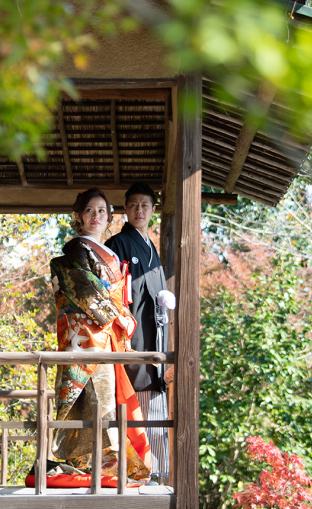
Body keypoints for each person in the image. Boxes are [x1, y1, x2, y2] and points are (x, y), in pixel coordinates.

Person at [48, 188, 152, 486]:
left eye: (102, 211)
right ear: (79, 217)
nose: (96, 216)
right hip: (88, 337)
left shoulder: (107, 252)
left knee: (108, 400)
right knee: (94, 399)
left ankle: (106, 464)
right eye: (89, 210)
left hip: (107, 337)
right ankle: (94, 464)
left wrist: (122, 317)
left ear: (109, 218)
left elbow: (117, 294)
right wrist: (117, 315)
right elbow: (84, 290)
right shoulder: (75, 251)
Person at [105, 182, 175, 481]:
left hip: (154, 336)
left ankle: (155, 470)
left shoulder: (150, 247)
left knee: (154, 400)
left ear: (153, 210)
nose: (139, 210)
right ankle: (136, 472)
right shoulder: (118, 243)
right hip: (131, 337)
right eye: (133, 204)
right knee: (132, 401)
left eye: (145, 205)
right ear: (125, 208)